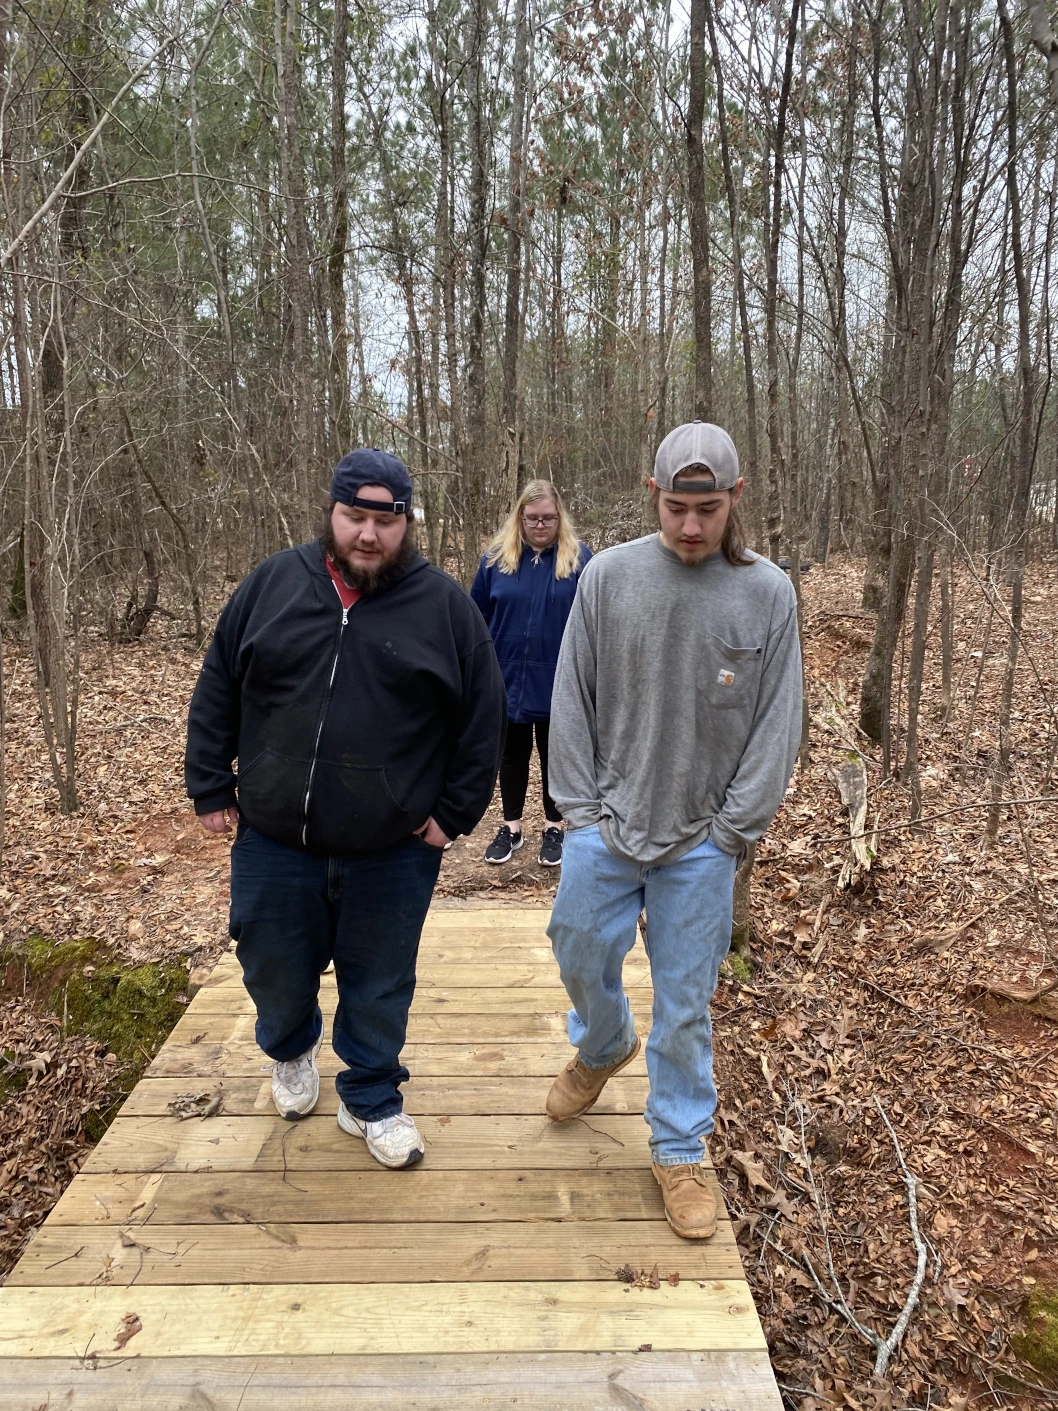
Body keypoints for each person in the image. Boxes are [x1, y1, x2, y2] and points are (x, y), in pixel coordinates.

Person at [185, 449, 506, 1169]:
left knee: (381, 979)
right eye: (353, 516)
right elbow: (218, 684)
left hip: (392, 848)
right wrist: (210, 782)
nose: (367, 534)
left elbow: (483, 719)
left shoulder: (444, 608)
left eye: (384, 520)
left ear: (407, 522)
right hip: (274, 839)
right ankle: (291, 1048)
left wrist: (451, 813)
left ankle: (370, 1096)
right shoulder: (271, 585)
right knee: (272, 966)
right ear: (330, 513)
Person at [543, 422, 802, 1239]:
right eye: (678, 507)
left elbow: (777, 725)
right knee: (577, 945)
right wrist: (579, 809)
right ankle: (604, 1041)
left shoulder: (768, 593)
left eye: (709, 508)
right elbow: (570, 694)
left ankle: (680, 1146)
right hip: (607, 820)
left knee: (687, 1002)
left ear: (736, 500)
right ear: (653, 494)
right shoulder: (610, 578)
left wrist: (733, 831)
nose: (692, 526)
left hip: (703, 840)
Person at [471, 480, 591, 868]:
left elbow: (592, 624)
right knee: (511, 755)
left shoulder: (579, 561)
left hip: (559, 678)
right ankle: (511, 827)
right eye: (532, 518)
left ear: (560, 518)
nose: (540, 526)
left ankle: (554, 828)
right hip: (506, 677)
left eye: (548, 519)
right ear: (520, 518)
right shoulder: (496, 561)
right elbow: (477, 617)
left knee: (553, 757)